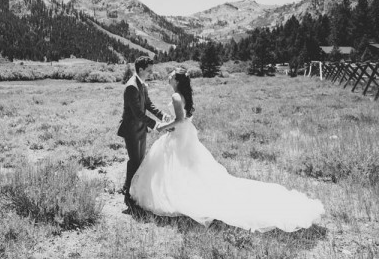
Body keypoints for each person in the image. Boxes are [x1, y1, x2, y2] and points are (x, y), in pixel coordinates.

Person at [129, 68, 325, 232]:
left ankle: (178, 196)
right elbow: (182, 118)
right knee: (185, 166)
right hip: (184, 134)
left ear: (177, 81)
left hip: (179, 135)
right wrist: (168, 121)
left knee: (177, 165)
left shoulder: (175, 95)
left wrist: (162, 127)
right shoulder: (181, 95)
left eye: (172, 75)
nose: (169, 76)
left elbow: (179, 120)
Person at [117, 56, 178, 208]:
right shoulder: (132, 86)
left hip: (141, 128)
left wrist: (163, 115)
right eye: (149, 70)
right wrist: (157, 125)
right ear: (141, 69)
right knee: (134, 161)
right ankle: (128, 199)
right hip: (131, 129)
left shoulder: (143, 84)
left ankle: (128, 187)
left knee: (140, 160)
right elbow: (138, 113)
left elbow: (149, 105)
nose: (152, 72)